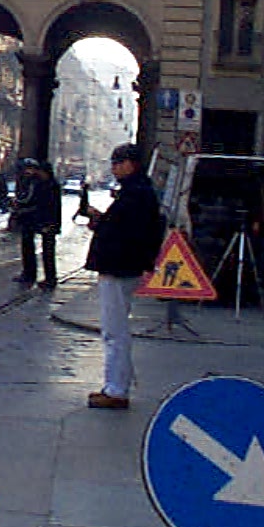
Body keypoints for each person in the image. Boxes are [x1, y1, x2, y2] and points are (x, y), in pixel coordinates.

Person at [83, 142, 163, 409]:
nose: (114, 167)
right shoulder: (139, 191)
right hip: (124, 265)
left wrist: (102, 223)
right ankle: (115, 385)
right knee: (115, 329)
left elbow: (125, 232)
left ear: (132, 164)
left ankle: (116, 390)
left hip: (119, 267)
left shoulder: (136, 194)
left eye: (118, 162)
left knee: (114, 331)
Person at [12, 157, 60, 288]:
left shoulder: (49, 185)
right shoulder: (39, 182)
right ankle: (33, 274)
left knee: (47, 251)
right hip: (38, 220)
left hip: (46, 222)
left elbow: (50, 206)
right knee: (33, 247)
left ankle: (50, 278)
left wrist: (51, 224)